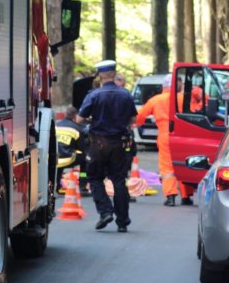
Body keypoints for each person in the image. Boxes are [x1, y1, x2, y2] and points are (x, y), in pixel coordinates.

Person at [77, 60, 137, 233]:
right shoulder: (125, 94)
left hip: (98, 143)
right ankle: (123, 221)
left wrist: (92, 119)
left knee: (95, 178)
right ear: (114, 73)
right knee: (118, 180)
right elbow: (133, 120)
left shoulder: (94, 95)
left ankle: (105, 212)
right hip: (118, 143)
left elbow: (80, 119)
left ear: (101, 74)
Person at [136, 74, 195, 206]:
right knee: (183, 164)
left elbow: (139, 118)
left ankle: (170, 196)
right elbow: (194, 115)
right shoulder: (183, 98)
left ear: (164, 86)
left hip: (165, 135)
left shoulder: (155, 100)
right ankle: (186, 196)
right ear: (177, 84)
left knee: (167, 167)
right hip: (182, 136)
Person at [114, 72, 138, 202]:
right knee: (123, 168)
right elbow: (133, 119)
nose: (123, 84)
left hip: (105, 138)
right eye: (121, 81)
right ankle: (123, 194)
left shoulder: (101, 94)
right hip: (123, 137)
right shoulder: (126, 96)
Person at [56, 106, 89, 195]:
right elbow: (81, 148)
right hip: (67, 158)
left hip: (55, 158)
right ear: (75, 116)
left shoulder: (56, 125)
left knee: (58, 165)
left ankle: (56, 185)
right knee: (85, 159)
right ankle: (82, 186)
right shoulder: (77, 128)